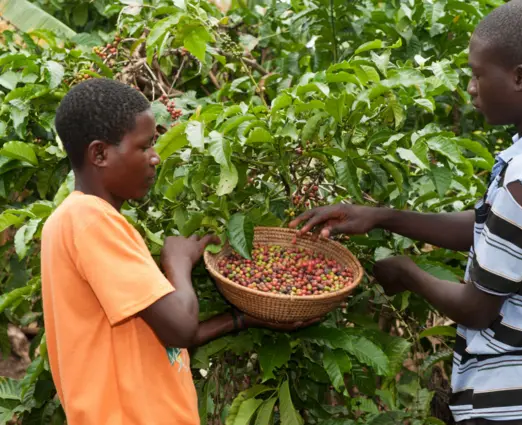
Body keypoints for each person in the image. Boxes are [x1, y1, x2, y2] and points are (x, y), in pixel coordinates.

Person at [290, 1, 522, 424]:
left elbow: (477, 308)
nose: (471, 88)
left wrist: (405, 272)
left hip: (521, 404)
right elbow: (491, 227)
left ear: (519, 77)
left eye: (478, 75)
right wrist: (381, 216)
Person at [41, 78, 316, 425]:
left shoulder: (78, 221)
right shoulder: (89, 220)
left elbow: (159, 332)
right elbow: (179, 329)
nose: (156, 158)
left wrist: (246, 318)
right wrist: (178, 262)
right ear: (100, 154)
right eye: (144, 147)